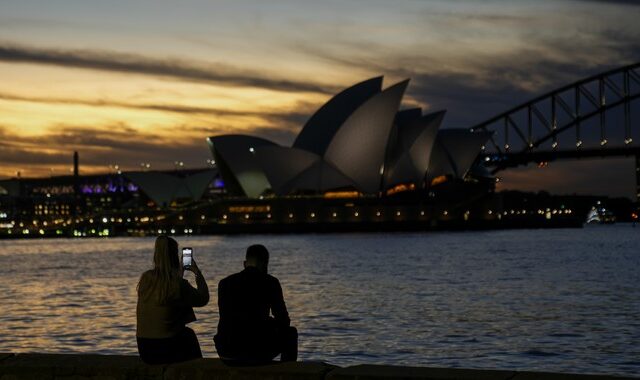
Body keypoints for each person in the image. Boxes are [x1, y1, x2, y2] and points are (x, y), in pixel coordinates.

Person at [214, 244, 297, 365]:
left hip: (226, 351)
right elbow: (283, 320)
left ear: (244, 263)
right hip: (256, 351)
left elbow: (226, 316)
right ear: (265, 264)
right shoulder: (270, 282)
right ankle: (286, 371)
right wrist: (269, 322)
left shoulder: (224, 283)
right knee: (291, 333)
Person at [136, 235, 209, 364]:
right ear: (174, 256)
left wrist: (180, 272)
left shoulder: (146, 279)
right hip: (166, 348)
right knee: (188, 334)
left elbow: (169, 295)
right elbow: (203, 299)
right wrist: (197, 272)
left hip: (145, 348)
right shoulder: (178, 284)